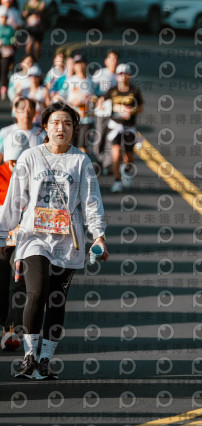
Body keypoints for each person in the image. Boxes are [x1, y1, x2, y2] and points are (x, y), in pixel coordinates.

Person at [0, 101, 109, 380]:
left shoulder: (81, 162)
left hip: (66, 242)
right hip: (33, 237)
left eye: (68, 123)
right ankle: (29, 356)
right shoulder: (30, 157)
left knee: (57, 300)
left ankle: (45, 360)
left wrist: (98, 236)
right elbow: (14, 200)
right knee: (36, 292)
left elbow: (91, 202)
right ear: (45, 128)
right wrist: (2, 233)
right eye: (56, 123)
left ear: (74, 129)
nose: (62, 128)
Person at [0, 101, 38, 350]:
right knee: (2, 281)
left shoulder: (34, 176)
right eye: (10, 161)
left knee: (19, 282)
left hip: (26, 238)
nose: (14, 166)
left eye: (18, 161)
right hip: (2, 237)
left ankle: (12, 330)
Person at [99, 63, 143, 193]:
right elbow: (101, 101)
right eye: (120, 74)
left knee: (129, 156)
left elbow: (140, 108)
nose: (122, 76)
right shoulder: (112, 90)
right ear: (117, 76)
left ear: (129, 76)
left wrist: (131, 110)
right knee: (116, 152)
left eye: (125, 74)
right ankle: (117, 180)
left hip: (129, 127)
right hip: (115, 126)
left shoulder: (134, 91)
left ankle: (127, 171)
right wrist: (111, 107)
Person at [59, 53, 93, 153]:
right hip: (72, 119)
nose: (80, 66)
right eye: (77, 63)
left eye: (82, 63)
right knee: (70, 146)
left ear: (86, 64)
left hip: (86, 119)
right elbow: (60, 97)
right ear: (74, 66)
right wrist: (72, 103)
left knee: (82, 146)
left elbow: (97, 98)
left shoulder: (92, 81)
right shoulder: (69, 81)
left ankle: (82, 163)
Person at [91, 49, 118, 171]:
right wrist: (96, 101)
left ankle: (108, 164)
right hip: (101, 112)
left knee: (111, 138)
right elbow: (91, 90)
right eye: (111, 58)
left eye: (115, 58)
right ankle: (99, 159)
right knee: (100, 136)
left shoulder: (119, 76)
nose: (114, 61)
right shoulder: (100, 74)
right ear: (106, 61)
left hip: (115, 113)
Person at [0, 6, 15, 101]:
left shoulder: (10, 29)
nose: (3, 19)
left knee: (4, 70)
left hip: (7, 52)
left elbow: (14, 39)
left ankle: (4, 88)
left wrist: (10, 44)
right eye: (2, 17)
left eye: (5, 17)